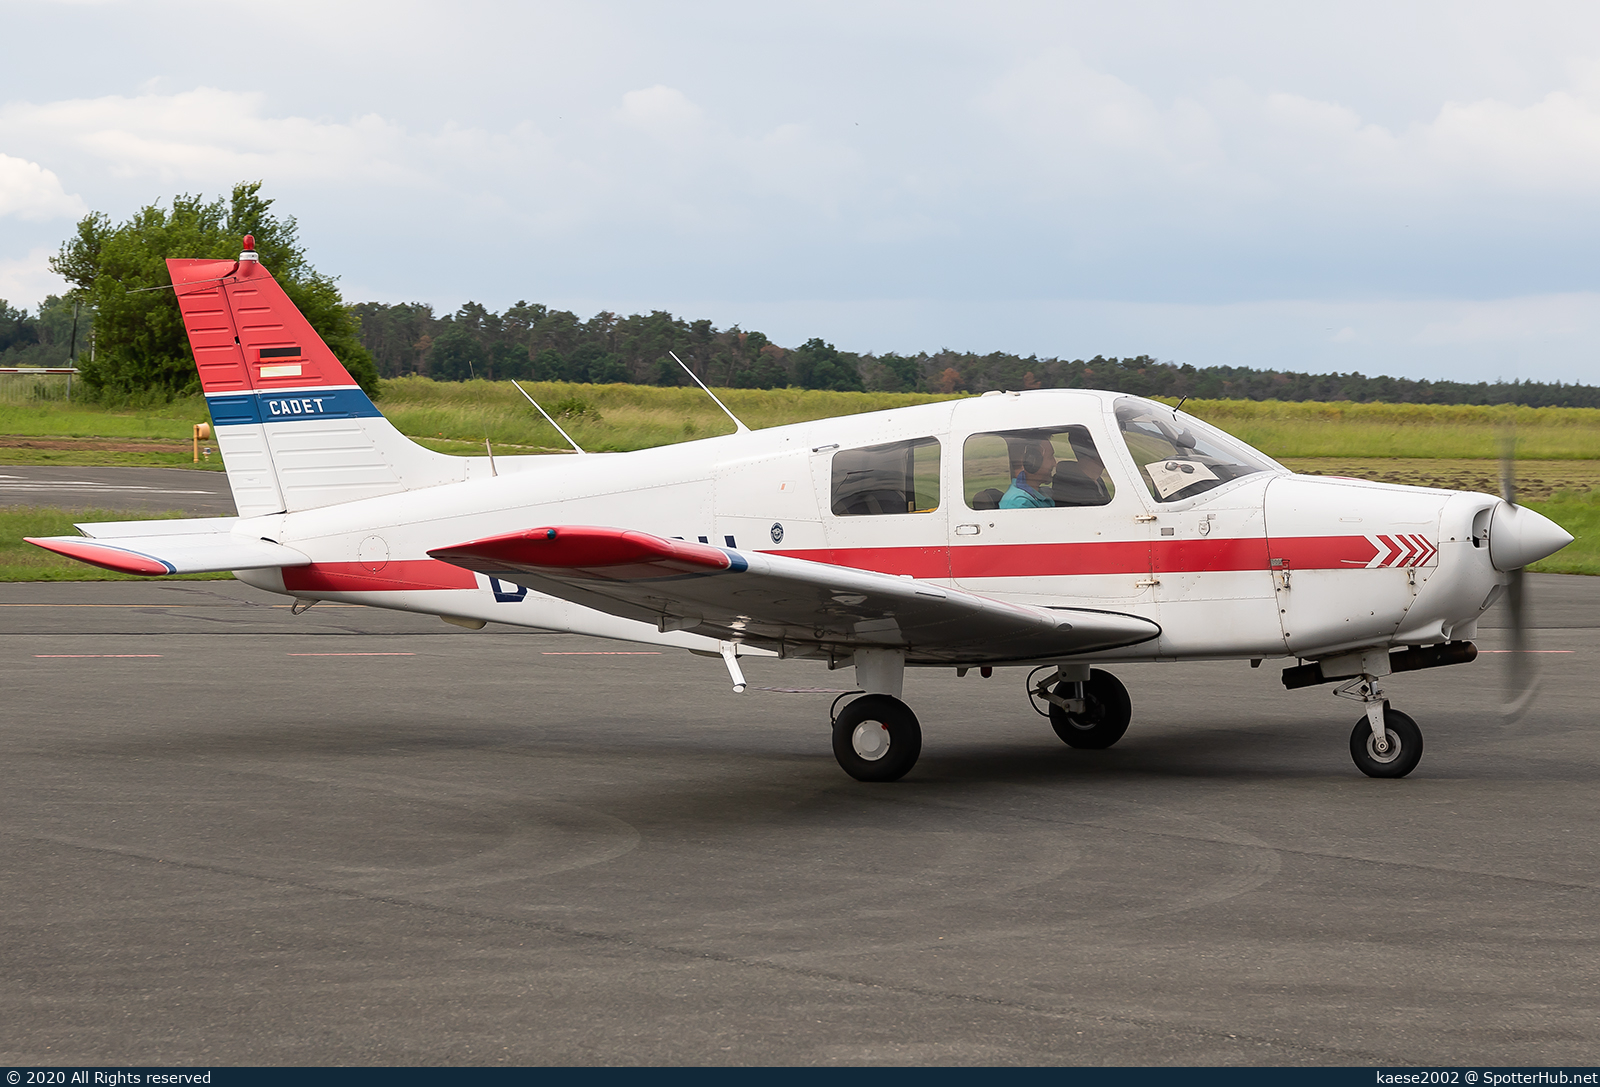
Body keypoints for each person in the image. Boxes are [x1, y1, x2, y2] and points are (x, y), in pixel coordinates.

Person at [1000, 437, 1056, 508]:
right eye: (1050, 457)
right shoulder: (1019, 503)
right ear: (1031, 462)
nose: (1054, 463)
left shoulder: (1040, 494)